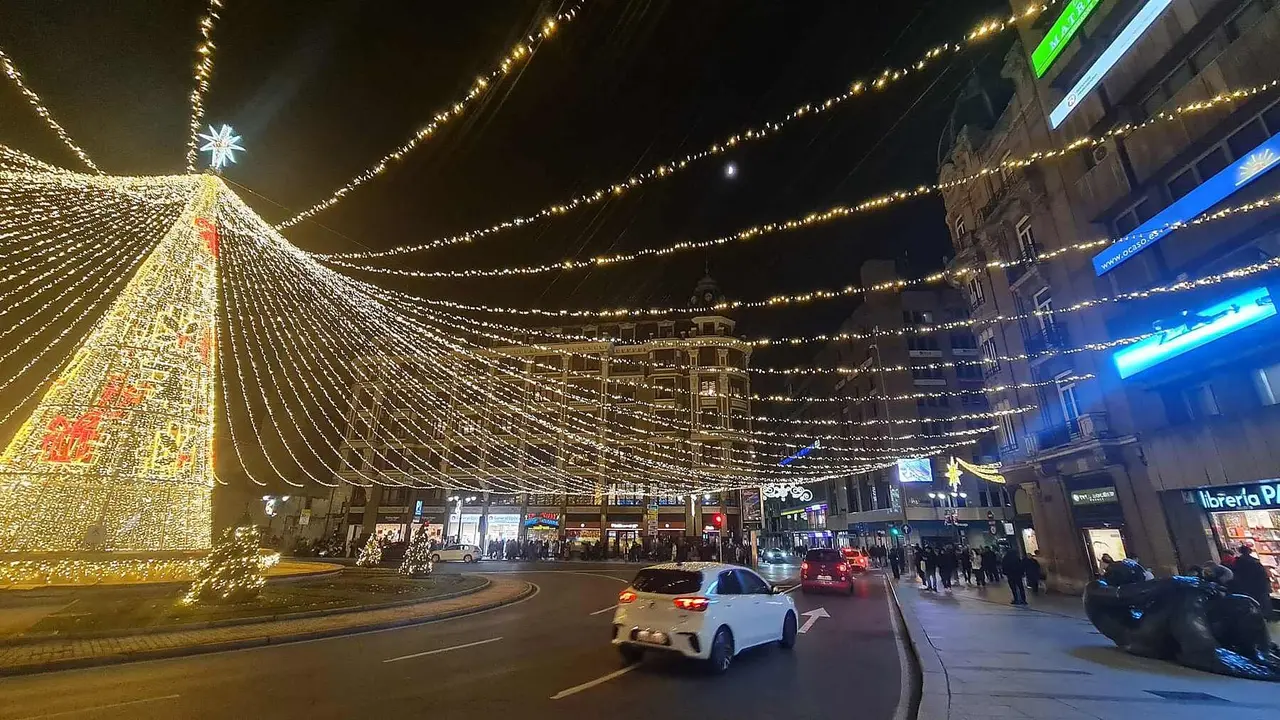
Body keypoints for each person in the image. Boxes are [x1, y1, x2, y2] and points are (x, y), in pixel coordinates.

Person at [1229, 546, 1274, 616]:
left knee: (1251, 603)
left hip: (1246, 586)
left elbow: (1236, 574)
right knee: (1263, 602)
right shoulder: (1255, 561)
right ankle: (1266, 616)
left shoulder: (1238, 562)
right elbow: (1263, 574)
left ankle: (1257, 616)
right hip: (1259, 585)